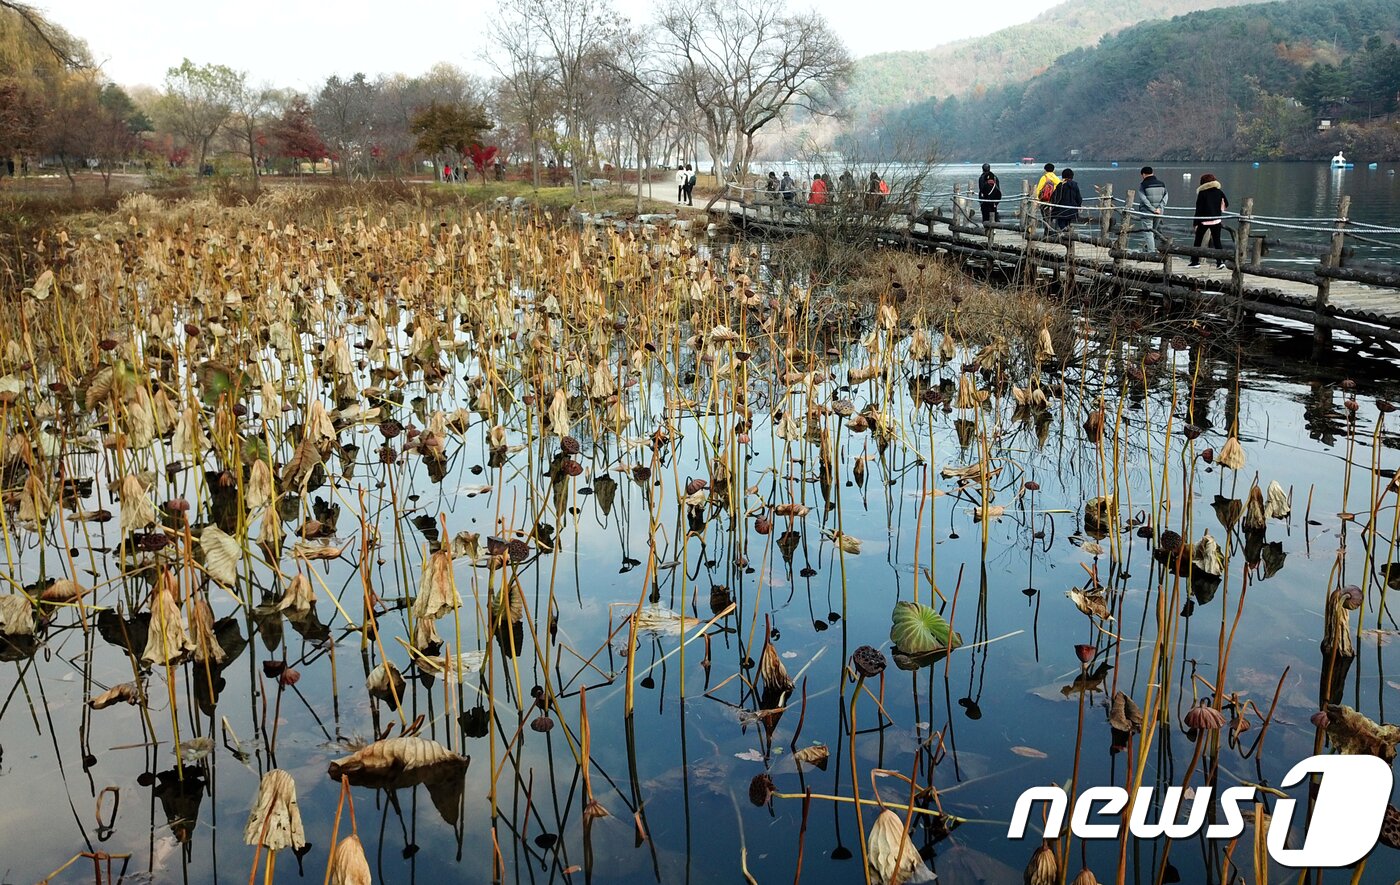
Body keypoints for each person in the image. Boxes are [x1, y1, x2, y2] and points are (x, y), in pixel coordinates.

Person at [1190, 173, 1229, 267]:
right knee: (1217, 242)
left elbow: (1198, 209)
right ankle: (1220, 262)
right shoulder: (1219, 192)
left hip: (1204, 221)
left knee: (1198, 241)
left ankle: (1195, 262)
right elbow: (1225, 204)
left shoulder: (1202, 193)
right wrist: (1218, 210)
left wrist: (1195, 223)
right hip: (1216, 220)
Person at [1136, 166, 1168, 253]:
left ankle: (1151, 252)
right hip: (1159, 212)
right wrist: (1159, 208)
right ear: (1152, 172)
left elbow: (1144, 199)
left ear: (1143, 174)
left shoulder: (1143, 185)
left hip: (1147, 212)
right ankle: (1148, 249)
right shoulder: (1162, 184)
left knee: (1148, 233)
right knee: (1154, 231)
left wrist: (1153, 209)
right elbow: (1165, 197)